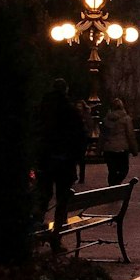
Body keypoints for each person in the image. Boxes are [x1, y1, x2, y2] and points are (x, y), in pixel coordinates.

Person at [35, 79, 89, 250]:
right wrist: (76, 157)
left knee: (42, 197)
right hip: (64, 162)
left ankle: (35, 231)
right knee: (62, 201)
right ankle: (56, 237)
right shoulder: (70, 111)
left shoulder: (42, 110)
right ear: (66, 90)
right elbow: (80, 137)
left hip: (45, 160)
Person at [100, 96, 137, 186]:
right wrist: (134, 149)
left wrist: (99, 148)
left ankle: (112, 186)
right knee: (124, 169)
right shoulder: (126, 119)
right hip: (122, 148)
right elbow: (130, 135)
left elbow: (103, 135)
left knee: (112, 170)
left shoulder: (106, 120)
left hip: (109, 148)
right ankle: (116, 183)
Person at [74, 100, 95, 182]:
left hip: (82, 137)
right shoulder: (74, 115)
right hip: (75, 138)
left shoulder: (86, 115)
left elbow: (90, 126)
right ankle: (75, 175)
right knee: (75, 158)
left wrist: (88, 134)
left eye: (80, 106)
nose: (78, 108)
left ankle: (81, 177)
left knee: (81, 158)